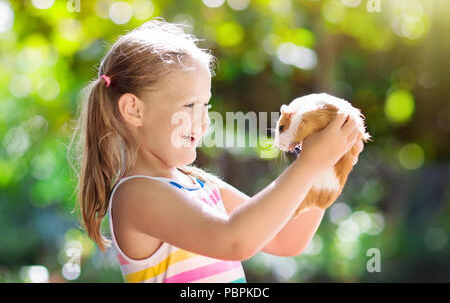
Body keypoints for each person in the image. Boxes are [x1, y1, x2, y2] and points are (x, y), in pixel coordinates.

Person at [67, 18, 363, 283]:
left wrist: (329, 166)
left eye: (205, 105)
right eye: (190, 105)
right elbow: (234, 240)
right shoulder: (137, 194)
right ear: (134, 110)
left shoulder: (200, 185)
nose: (205, 120)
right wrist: (309, 164)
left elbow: (286, 240)